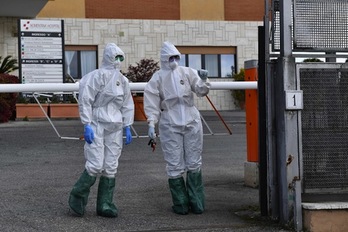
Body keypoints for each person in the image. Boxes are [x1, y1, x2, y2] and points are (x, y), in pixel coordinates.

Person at [144, 41, 210, 215]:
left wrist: (204, 79)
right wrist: (151, 123)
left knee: (194, 161)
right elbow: (151, 102)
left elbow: (201, 91)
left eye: (176, 57)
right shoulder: (157, 78)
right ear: (164, 59)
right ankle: (180, 203)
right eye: (170, 57)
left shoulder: (187, 72)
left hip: (191, 120)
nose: (173, 60)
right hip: (169, 122)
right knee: (174, 163)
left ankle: (197, 202)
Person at [68, 43, 134, 218]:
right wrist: (87, 123)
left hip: (115, 126)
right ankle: (77, 196)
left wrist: (127, 126)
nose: (118, 61)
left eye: (121, 58)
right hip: (97, 124)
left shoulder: (123, 81)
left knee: (111, 166)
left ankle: (105, 204)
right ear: (108, 57)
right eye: (116, 57)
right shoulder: (95, 77)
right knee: (95, 164)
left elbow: (127, 104)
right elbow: (86, 100)